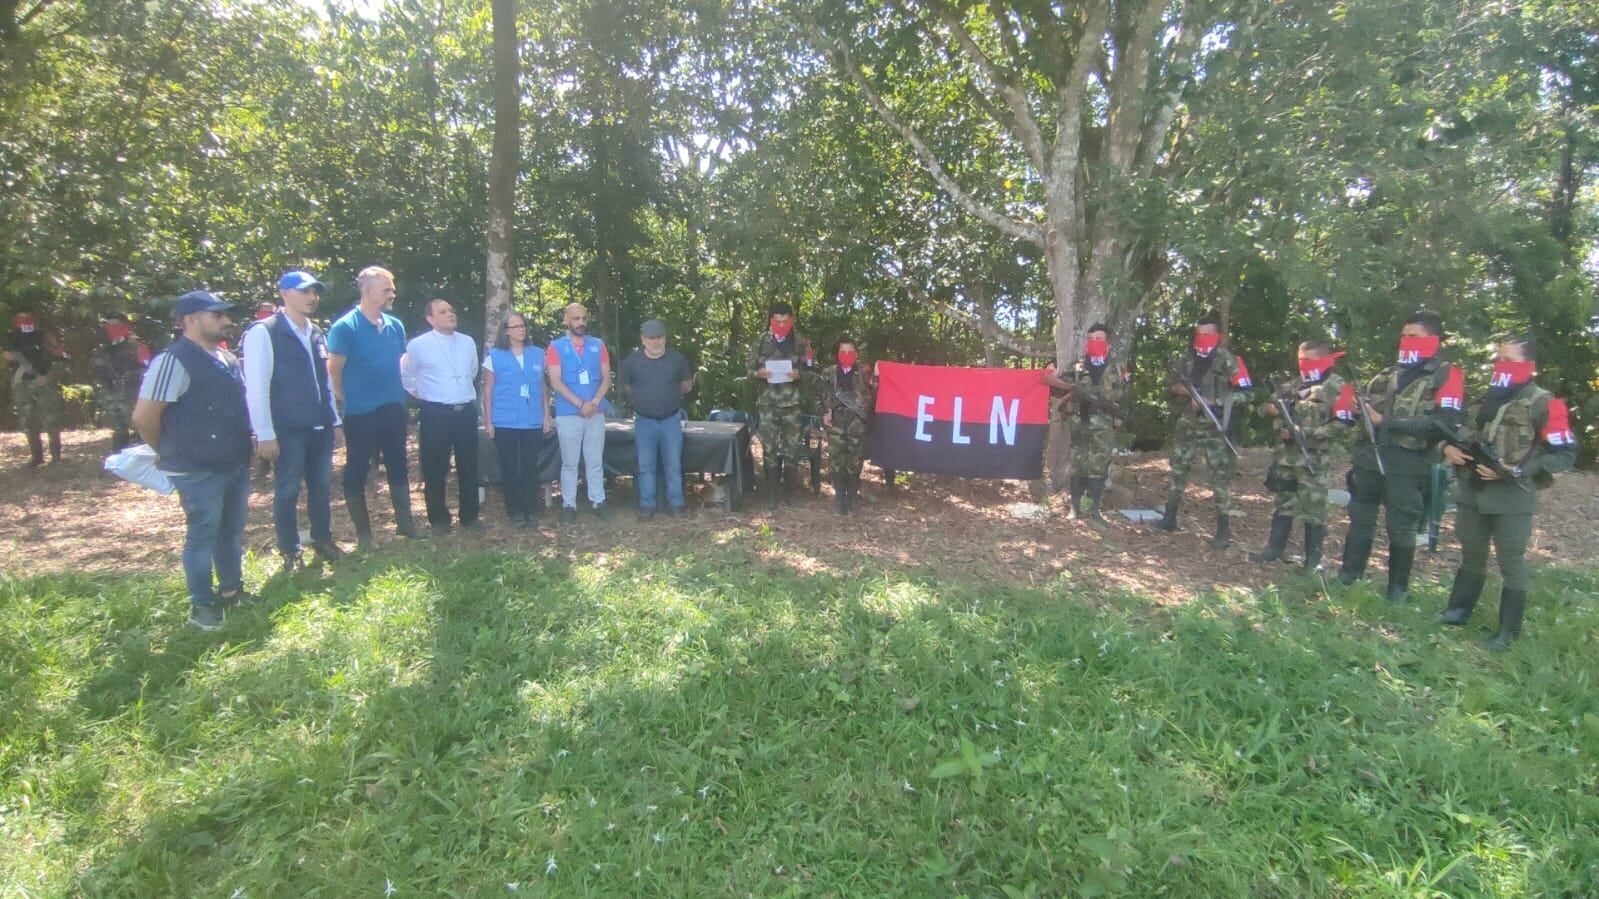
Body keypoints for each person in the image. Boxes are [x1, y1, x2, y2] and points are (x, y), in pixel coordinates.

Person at [1437, 338, 1576, 650]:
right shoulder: (1488, 397)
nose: (1500, 365)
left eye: (1508, 359)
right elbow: (1458, 433)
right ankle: (1457, 612)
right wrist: (1447, 447)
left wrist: (1513, 470)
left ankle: (1506, 634)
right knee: (1471, 554)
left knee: (1511, 563)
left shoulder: (1545, 403)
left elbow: (1564, 454)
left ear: (1530, 367)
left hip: (1511, 498)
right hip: (1472, 492)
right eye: (1498, 359)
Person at [130, 291, 254, 630]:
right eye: (216, 315)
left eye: (225, 314)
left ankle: (232, 590)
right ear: (188, 320)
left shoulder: (227, 359)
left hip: (233, 462)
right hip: (197, 469)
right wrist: (167, 449)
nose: (225, 320)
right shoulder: (172, 360)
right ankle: (202, 604)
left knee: (230, 532)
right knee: (202, 535)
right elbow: (145, 416)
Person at [1335, 310, 1464, 601]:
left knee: (1401, 526)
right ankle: (1348, 576)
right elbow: (1365, 411)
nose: (1405, 341)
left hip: (1408, 461)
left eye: (1413, 336)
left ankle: (1397, 590)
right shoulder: (1387, 374)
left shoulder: (1446, 374)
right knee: (1360, 518)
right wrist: (1357, 410)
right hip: (1369, 456)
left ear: (1433, 339)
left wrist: (1386, 422)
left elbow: (1443, 424)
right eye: (1403, 336)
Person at [241, 271, 343, 569]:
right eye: (304, 292)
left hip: (320, 425)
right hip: (287, 428)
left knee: (321, 486)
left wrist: (334, 420)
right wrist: (263, 432)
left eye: (314, 292)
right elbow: (256, 386)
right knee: (287, 490)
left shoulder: (315, 332)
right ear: (284, 294)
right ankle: (290, 549)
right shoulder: (265, 331)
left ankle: (322, 539)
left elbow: (324, 381)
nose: (312, 298)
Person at [327, 266, 421, 551]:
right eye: (387, 289)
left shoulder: (395, 325)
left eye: (392, 288)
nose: (393, 293)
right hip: (361, 412)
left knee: (398, 465)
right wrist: (348, 400)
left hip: (393, 408)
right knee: (357, 469)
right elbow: (334, 371)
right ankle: (365, 536)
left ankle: (406, 524)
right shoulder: (345, 327)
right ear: (368, 291)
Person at [1249, 341, 1348, 570]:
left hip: (1313, 458)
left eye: (1309, 360)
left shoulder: (1338, 386)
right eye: (1301, 360)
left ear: (1324, 359)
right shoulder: (1293, 385)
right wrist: (1270, 409)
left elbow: (1345, 422)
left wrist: (1307, 433)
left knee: (1314, 511)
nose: (1304, 365)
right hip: (1285, 457)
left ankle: (1313, 561)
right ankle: (1273, 550)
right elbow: (1262, 408)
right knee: (1283, 504)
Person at [1156, 313, 1252, 548]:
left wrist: (1214, 401)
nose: (1203, 338)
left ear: (1217, 335)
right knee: (1179, 469)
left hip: (1215, 426)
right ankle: (1169, 517)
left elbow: (1247, 394)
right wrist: (1181, 391)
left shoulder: (1230, 361)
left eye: (1208, 334)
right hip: (1188, 424)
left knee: (1219, 477)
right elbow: (1169, 390)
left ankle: (1223, 529)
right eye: (1199, 334)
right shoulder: (1185, 361)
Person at [401, 298, 482, 533]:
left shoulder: (467, 342)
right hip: (436, 413)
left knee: (469, 465)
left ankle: (470, 516)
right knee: (435, 467)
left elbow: (473, 372)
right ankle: (438, 519)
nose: (450, 314)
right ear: (430, 319)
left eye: (452, 310)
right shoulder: (418, 345)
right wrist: (424, 394)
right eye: (443, 311)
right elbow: (405, 375)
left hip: (465, 411)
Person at [1041, 323, 1128, 532]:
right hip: (1079, 421)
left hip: (1104, 422)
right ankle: (1075, 508)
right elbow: (1057, 387)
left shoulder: (1118, 367)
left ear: (1107, 342)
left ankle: (1095, 511)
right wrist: (1070, 389)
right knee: (1078, 462)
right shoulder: (1078, 366)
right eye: (1091, 339)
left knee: (1099, 465)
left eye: (1099, 339)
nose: (1094, 343)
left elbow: (1123, 395)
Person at [618, 319, 695, 519]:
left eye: (659, 338)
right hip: (644, 420)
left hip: (671, 419)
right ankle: (647, 505)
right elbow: (626, 386)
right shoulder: (632, 362)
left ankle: (676, 504)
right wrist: (642, 400)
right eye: (651, 338)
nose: (656, 342)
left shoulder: (677, 360)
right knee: (645, 466)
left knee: (673, 464)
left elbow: (686, 384)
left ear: (665, 338)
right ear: (643, 340)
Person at [483, 311, 552, 527]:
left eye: (522, 325)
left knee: (530, 465)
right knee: (510, 466)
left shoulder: (538, 354)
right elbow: (488, 390)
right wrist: (489, 421)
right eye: (515, 326)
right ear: (506, 331)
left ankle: (531, 508)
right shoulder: (494, 355)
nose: (520, 329)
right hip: (505, 420)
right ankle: (515, 510)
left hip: (532, 419)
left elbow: (543, 387)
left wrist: (547, 416)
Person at [546, 302, 612, 524]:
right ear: (566, 319)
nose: (581, 323)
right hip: (568, 412)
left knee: (595, 459)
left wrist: (592, 402)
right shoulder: (555, 347)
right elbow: (555, 381)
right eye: (576, 319)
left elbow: (606, 378)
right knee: (569, 462)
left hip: (595, 411)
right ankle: (569, 504)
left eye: (584, 318)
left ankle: (598, 500)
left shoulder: (598, 345)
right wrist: (579, 404)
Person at [747, 301, 814, 508]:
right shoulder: (761, 341)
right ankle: (771, 495)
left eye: (785, 321)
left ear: (791, 320)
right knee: (769, 449)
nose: (782, 325)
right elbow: (748, 371)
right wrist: (758, 373)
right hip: (767, 405)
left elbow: (812, 372)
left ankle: (790, 494)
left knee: (792, 449)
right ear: (771, 321)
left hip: (791, 405)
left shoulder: (802, 342)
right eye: (778, 322)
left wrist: (799, 374)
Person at [802, 337, 873, 515]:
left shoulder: (864, 374)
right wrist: (822, 413)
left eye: (851, 352)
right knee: (837, 462)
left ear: (856, 355)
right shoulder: (828, 373)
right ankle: (840, 499)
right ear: (837, 354)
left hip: (856, 426)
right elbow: (816, 395)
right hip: (835, 425)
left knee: (855, 463)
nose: (847, 355)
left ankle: (853, 499)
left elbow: (875, 394)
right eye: (843, 352)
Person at [9, 312, 64, 466]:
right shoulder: (11, 338)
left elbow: (61, 360)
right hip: (22, 386)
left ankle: (56, 456)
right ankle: (36, 457)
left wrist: (47, 378)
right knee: (28, 422)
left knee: (51, 420)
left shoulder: (45, 337)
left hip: (45, 384)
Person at [91, 315, 151, 452]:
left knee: (140, 428)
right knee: (118, 429)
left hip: (133, 395)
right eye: (108, 325)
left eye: (114, 325)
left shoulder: (137, 346)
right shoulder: (102, 349)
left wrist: (129, 377)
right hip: (111, 396)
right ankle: (119, 460)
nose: (109, 329)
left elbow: (147, 369)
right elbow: (96, 370)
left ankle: (145, 460)